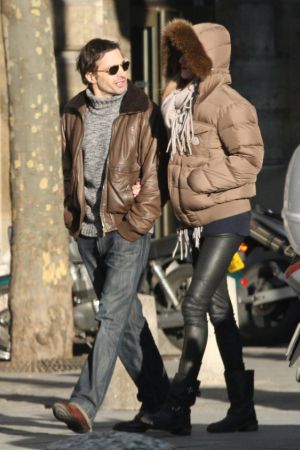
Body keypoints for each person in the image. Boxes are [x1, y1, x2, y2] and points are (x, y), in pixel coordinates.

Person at [141, 20, 264, 435]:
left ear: (206, 57)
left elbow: (249, 158)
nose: (180, 60)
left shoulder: (229, 103)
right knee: (217, 310)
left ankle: (178, 407)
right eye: (176, 52)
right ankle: (243, 409)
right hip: (196, 221)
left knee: (193, 305)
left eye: (188, 52)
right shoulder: (179, 104)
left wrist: (199, 182)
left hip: (226, 216)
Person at [52, 38, 170, 433]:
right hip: (88, 232)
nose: (124, 75)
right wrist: (72, 214)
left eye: (126, 66)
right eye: (113, 69)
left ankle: (84, 403)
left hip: (127, 231)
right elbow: (67, 166)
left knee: (111, 317)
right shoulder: (73, 111)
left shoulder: (142, 111)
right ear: (91, 76)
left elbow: (156, 176)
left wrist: (136, 222)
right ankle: (164, 406)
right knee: (127, 322)